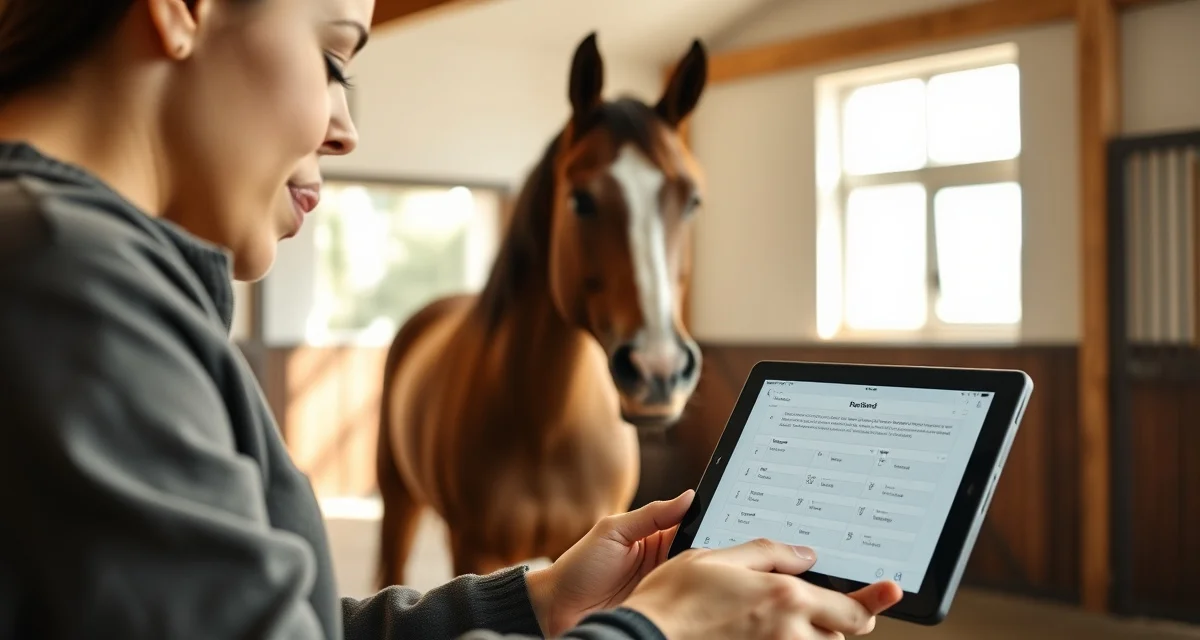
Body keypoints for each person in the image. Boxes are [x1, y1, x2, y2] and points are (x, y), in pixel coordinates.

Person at [0, 0, 904, 638]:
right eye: (335, 58)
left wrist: (532, 603)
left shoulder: (93, 273)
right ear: (183, 7)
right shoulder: (64, 278)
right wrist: (652, 633)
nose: (345, 128)